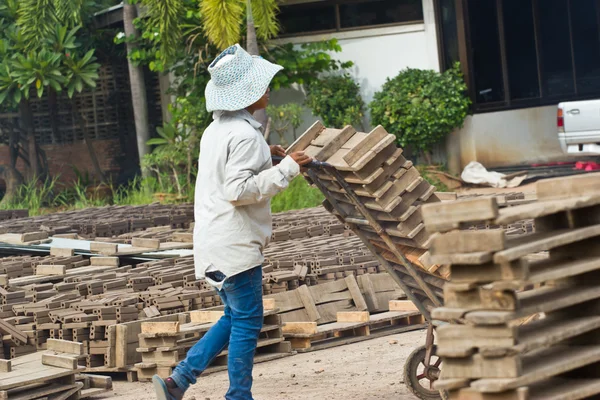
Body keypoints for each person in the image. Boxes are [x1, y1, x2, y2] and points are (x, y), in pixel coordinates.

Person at [152, 44, 312, 400]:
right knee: (248, 321)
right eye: (263, 85)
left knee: (233, 317)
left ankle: (179, 381)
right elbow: (239, 189)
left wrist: (267, 155)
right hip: (235, 248)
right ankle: (238, 396)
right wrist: (288, 168)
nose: (268, 89)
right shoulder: (243, 135)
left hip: (213, 244)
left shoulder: (218, 130)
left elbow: (231, 171)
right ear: (250, 93)